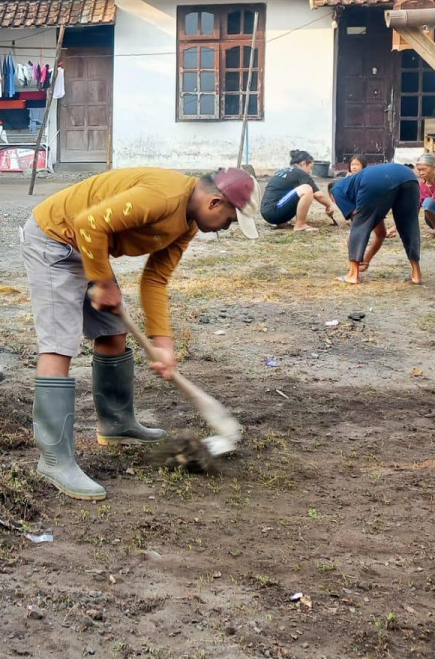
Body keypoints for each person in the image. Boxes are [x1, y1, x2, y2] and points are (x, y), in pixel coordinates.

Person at [19, 167, 259, 500]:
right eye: (229, 220)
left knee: (113, 332)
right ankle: (53, 459)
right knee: (59, 346)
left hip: (89, 243)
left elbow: (155, 279)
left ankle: (116, 423)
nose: (225, 227)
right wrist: (103, 282)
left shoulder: (188, 223)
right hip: (56, 239)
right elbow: (89, 223)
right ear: (214, 202)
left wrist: (164, 344)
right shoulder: (163, 197)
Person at [329, 162, 422, 286]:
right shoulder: (363, 190)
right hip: (408, 176)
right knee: (409, 224)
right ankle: (416, 274)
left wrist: (353, 239)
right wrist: (366, 261)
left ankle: (353, 275)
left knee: (359, 225)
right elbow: (380, 233)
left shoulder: (337, 188)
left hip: (376, 180)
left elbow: (359, 223)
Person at [260, 150, 339, 232]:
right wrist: (329, 204)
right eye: (310, 168)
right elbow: (318, 195)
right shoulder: (300, 173)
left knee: (298, 191)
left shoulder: (284, 170)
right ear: (303, 163)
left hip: (268, 212)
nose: (310, 172)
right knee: (307, 189)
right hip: (273, 212)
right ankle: (300, 225)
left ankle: (282, 222)